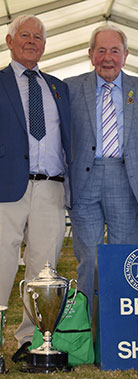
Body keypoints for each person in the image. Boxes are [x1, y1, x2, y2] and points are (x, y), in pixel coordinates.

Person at [65, 25, 138, 316]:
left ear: (126, 55)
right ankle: (88, 328)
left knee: (123, 259)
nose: (108, 57)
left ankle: (118, 329)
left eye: (115, 51)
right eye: (102, 50)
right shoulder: (69, 87)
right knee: (89, 260)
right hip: (84, 182)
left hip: (125, 181)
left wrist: (128, 164)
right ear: (91, 54)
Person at [0, 15, 71, 355]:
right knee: (1, 263)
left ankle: (31, 339)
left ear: (45, 45)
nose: (31, 41)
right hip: (6, 188)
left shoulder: (59, 87)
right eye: (24, 35)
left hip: (51, 188)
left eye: (38, 37)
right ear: (9, 41)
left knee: (45, 266)